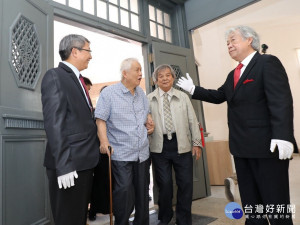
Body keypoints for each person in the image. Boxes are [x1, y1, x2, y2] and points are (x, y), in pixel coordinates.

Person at [177, 25, 298, 225]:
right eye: (227, 43)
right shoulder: (234, 73)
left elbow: (281, 101)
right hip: (241, 149)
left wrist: (283, 135)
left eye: (233, 40)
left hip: (267, 147)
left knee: (276, 205)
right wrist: (193, 89)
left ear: (249, 40)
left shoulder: (267, 62)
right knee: (251, 205)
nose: (229, 45)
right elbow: (218, 96)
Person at [41, 34, 99, 225]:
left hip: (84, 162)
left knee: (78, 217)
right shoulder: (55, 76)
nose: (91, 56)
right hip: (69, 164)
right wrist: (64, 165)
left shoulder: (78, 79)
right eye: (88, 51)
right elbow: (54, 123)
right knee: (68, 219)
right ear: (75, 51)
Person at [94, 58, 154, 225]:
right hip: (121, 152)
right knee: (124, 191)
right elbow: (100, 119)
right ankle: (122, 222)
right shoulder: (109, 93)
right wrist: (103, 141)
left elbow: (145, 115)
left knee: (142, 192)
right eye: (137, 70)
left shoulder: (141, 93)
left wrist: (149, 121)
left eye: (141, 69)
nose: (141, 73)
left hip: (142, 152)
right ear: (125, 73)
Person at [148, 64, 202, 225]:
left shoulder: (183, 97)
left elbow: (193, 120)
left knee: (185, 184)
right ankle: (165, 216)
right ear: (156, 80)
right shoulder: (148, 99)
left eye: (168, 75)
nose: (164, 78)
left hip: (182, 144)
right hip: (159, 146)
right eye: (160, 76)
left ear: (173, 78)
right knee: (164, 185)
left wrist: (196, 143)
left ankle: (184, 219)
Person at [88, 85, 110, 221]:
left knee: (110, 182)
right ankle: (93, 210)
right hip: (97, 152)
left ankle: (108, 208)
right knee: (97, 182)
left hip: (112, 152)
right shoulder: (94, 112)